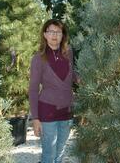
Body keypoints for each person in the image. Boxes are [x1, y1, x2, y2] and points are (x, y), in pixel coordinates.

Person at [28, 19, 79, 163]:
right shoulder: (38, 59)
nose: (54, 35)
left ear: (63, 35)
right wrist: (36, 118)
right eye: (51, 31)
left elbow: (70, 73)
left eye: (58, 32)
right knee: (49, 156)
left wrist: (80, 79)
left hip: (67, 111)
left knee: (60, 153)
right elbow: (33, 90)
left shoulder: (68, 52)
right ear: (45, 34)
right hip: (47, 112)